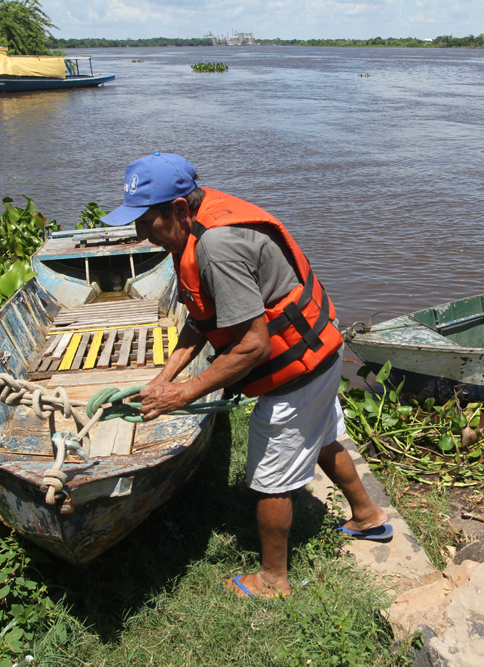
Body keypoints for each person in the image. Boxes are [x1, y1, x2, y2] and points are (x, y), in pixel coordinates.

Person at [101, 152, 392, 599]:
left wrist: (184, 394)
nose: (140, 233)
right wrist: (165, 377)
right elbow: (202, 318)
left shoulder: (217, 247)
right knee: (323, 439)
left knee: (270, 482)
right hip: (322, 354)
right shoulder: (196, 224)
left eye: (146, 220)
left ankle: (273, 580)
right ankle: (368, 517)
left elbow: (254, 345)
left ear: (178, 209)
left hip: (296, 376)